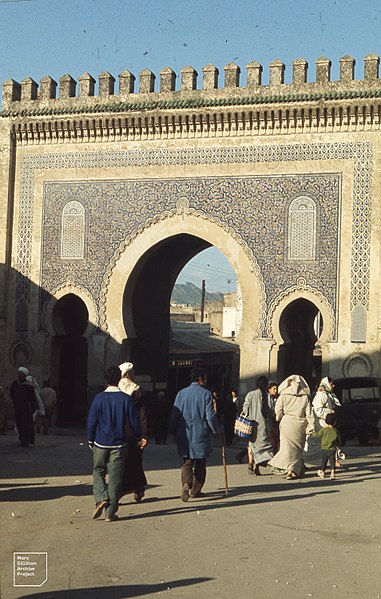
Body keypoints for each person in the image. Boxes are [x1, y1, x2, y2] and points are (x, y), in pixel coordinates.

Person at [87, 366, 142, 522]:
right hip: (119, 444)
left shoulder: (98, 399)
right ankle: (110, 513)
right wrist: (139, 436)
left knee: (98, 470)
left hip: (100, 443)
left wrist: (90, 440)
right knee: (116, 478)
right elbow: (134, 421)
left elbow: (91, 422)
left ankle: (101, 498)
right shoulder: (126, 399)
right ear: (119, 378)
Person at [170, 367, 219, 501]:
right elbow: (210, 416)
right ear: (200, 379)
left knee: (187, 461)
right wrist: (216, 429)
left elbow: (175, 414)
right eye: (205, 378)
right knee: (200, 463)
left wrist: (172, 429)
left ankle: (186, 483)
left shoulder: (181, 393)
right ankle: (195, 490)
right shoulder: (206, 394)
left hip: (184, 431)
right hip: (201, 432)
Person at [268, 375, 315, 480]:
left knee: (287, 448)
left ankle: (291, 470)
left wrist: (279, 418)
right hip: (300, 424)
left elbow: (278, 410)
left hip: (287, 423)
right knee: (297, 449)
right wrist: (311, 426)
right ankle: (293, 470)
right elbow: (309, 413)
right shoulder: (305, 397)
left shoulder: (283, 396)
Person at [119, 362, 150, 502]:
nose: (134, 376)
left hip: (118, 432)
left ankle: (119, 489)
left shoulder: (115, 390)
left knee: (120, 462)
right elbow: (142, 415)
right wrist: (144, 435)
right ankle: (138, 488)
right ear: (127, 374)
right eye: (132, 373)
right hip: (134, 432)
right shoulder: (137, 391)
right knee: (136, 460)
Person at [304, 376, 341, 467]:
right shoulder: (322, 395)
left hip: (326, 422)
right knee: (322, 442)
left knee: (330, 441)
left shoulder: (328, 394)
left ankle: (334, 460)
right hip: (322, 423)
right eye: (331, 384)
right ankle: (302, 459)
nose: (333, 386)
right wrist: (330, 412)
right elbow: (317, 410)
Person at [243, 376, 274, 475]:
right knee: (263, 448)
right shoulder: (268, 396)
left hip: (251, 426)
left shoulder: (250, 394)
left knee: (251, 446)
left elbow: (245, 409)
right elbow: (272, 412)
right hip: (264, 427)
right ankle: (257, 468)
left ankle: (250, 463)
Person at [10, 367, 39, 446]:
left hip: (26, 409)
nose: (19, 375)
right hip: (18, 408)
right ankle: (22, 439)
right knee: (19, 424)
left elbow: (33, 397)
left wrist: (34, 408)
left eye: (21, 374)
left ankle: (27, 440)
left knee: (26, 425)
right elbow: (12, 395)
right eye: (19, 373)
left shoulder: (29, 385)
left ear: (24, 375)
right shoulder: (15, 384)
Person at [310, 412, 342, 480]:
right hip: (332, 449)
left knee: (324, 461)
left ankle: (323, 472)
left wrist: (311, 433)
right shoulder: (335, 431)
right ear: (335, 422)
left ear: (326, 421)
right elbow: (339, 440)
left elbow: (318, 435)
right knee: (332, 462)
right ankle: (333, 474)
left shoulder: (324, 430)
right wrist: (338, 445)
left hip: (324, 449)